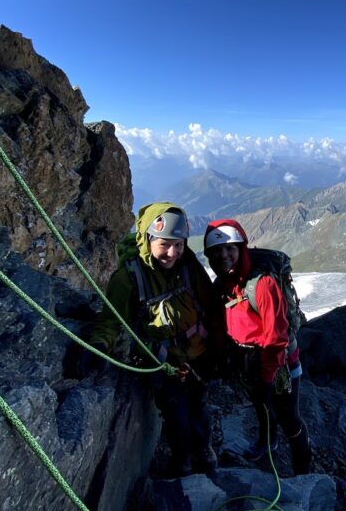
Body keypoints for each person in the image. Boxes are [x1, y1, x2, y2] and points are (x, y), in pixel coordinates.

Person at [81, 202, 219, 477]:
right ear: (148, 239)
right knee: (176, 413)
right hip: (162, 362)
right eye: (165, 245)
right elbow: (112, 320)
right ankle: (183, 461)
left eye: (178, 245)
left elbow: (210, 303)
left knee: (198, 405)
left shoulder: (188, 265)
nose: (172, 253)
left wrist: (220, 349)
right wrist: (98, 346)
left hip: (198, 356)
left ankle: (203, 452)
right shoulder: (128, 278)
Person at [204, 219, 311, 475]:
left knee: (289, 417)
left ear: (241, 248)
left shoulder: (261, 284)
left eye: (230, 248)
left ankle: (304, 467)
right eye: (216, 251)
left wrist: (266, 378)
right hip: (249, 363)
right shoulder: (224, 284)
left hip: (279, 365)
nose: (223, 255)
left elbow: (276, 337)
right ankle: (267, 442)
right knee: (260, 404)